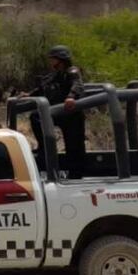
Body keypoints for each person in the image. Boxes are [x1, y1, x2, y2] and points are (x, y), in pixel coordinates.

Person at [26, 45, 86, 179]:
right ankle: (45, 146)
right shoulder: (56, 74)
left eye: (53, 59)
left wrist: (71, 96)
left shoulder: (72, 71)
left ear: (61, 59)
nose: (51, 62)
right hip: (59, 112)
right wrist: (28, 95)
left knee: (74, 146)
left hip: (72, 115)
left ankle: (76, 175)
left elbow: (78, 84)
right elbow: (42, 88)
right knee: (36, 117)